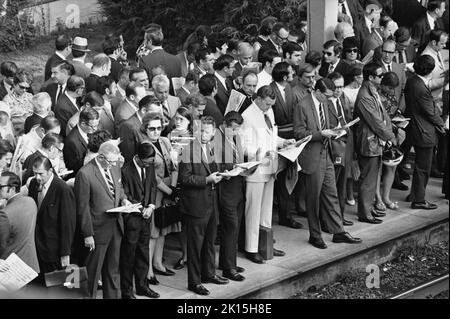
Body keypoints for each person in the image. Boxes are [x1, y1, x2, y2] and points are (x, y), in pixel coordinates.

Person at [293, 73, 362, 249]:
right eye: (326, 95)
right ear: (317, 91)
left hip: (326, 153)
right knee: (313, 199)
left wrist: (335, 131)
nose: (329, 99)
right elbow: (299, 133)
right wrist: (320, 134)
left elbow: (326, 125)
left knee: (331, 194)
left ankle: (338, 231)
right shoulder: (302, 106)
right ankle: (314, 235)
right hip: (312, 155)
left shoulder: (324, 102)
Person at [240, 86, 294, 262]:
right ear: (259, 99)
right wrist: (262, 152)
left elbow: (271, 136)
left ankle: (266, 243)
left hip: (270, 167)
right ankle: (251, 247)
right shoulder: (247, 116)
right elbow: (244, 146)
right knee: (253, 211)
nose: (269, 108)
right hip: (256, 169)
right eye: (267, 104)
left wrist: (284, 142)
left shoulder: (268, 113)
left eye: (272, 105)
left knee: (266, 210)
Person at [74, 141, 132, 299]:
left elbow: (119, 190)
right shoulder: (85, 174)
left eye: (115, 161)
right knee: (92, 273)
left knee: (112, 271)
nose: (114, 164)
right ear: (100, 157)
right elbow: (82, 207)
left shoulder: (114, 167)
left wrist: (124, 200)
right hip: (97, 230)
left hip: (115, 227)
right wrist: (87, 234)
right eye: (111, 161)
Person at [178, 116, 228, 296]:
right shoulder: (187, 150)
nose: (204, 134)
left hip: (212, 201)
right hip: (196, 204)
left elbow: (216, 168)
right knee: (195, 245)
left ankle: (209, 274)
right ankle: (194, 282)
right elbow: (184, 178)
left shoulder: (213, 147)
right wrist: (207, 179)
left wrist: (225, 174)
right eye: (201, 131)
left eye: (207, 131)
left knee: (209, 241)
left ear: (214, 131)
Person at [354, 62, 395, 224]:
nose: (382, 77)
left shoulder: (372, 92)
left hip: (375, 141)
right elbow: (376, 122)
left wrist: (388, 133)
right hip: (369, 142)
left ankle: (368, 209)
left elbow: (383, 116)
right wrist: (389, 136)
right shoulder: (365, 96)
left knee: (372, 177)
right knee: (368, 180)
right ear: (371, 78)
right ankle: (364, 213)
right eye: (380, 75)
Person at [404, 54, 445, 209]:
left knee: (420, 167)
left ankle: (415, 194)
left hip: (416, 128)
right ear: (430, 70)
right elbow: (431, 112)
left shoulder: (412, 81)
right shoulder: (421, 87)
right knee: (423, 168)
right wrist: (442, 124)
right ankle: (419, 200)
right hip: (424, 132)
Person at [143, 113, 180, 284]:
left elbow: (174, 165)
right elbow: (152, 176)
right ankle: (148, 269)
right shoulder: (144, 145)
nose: (156, 131)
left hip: (168, 188)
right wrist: (168, 190)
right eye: (152, 128)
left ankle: (158, 262)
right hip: (155, 191)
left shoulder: (165, 141)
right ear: (145, 128)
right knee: (153, 231)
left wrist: (172, 187)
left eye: (159, 127)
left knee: (164, 226)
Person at [120, 141, 160, 299]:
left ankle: (143, 286)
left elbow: (152, 186)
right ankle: (127, 291)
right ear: (137, 157)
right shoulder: (126, 171)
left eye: (150, 163)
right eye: (146, 163)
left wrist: (151, 205)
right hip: (132, 219)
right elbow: (126, 194)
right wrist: (140, 209)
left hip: (146, 217)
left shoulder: (149, 165)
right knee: (129, 256)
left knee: (144, 253)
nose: (148, 166)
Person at [27, 156, 76, 274]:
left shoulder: (62, 189)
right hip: (36, 247)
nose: (37, 177)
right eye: (35, 174)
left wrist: (65, 252)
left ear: (50, 171)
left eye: (41, 174)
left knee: (55, 288)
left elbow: (67, 224)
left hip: (54, 250)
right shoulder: (34, 184)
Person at [214, 111, 246, 281]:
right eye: (233, 129)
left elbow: (239, 157)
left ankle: (229, 260)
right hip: (225, 188)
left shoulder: (235, 136)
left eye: (238, 130)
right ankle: (228, 268)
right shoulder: (216, 138)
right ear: (225, 124)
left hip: (238, 185)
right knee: (230, 225)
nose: (236, 133)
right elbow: (215, 163)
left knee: (236, 225)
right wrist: (227, 169)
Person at [327, 73, 354, 226]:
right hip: (333, 147)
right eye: (336, 87)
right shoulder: (326, 102)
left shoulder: (341, 99)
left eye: (341, 87)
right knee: (333, 187)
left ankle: (340, 216)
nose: (338, 90)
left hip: (345, 145)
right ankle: (332, 219)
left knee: (342, 184)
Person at [374, 72, 404, 211]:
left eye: (394, 88)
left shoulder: (391, 96)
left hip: (392, 134)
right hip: (379, 135)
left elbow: (395, 111)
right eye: (390, 88)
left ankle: (386, 197)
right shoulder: (375, 96)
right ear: (383, 84)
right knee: (377, 168)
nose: (392, 91)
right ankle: (378, 198)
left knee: (392, 165)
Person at [0, 171, 39, 273]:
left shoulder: (4, 214)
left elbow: (1, 245)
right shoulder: (31, 201)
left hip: (9, 269)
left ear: (12, 189)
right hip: (29, 265)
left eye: (1, 187)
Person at [118, 95, 158, 163]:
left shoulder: (151, 123)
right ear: (143, 110)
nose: (157, 116)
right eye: (154, 113)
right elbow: (128, 157)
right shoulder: (127, 127)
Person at [63, 108, 99, 178]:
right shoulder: (71, 142)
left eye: (97, 125)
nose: (96, 129)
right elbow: (74, 168)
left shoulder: (90, 130)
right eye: (93, 126)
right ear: (83, 124)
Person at [2, 69, 34, 135]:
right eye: (22, 87)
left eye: (27, 88)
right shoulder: (7, 101)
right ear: (14, 84)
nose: (24, 90)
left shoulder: (30, 97)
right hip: (17, 134)